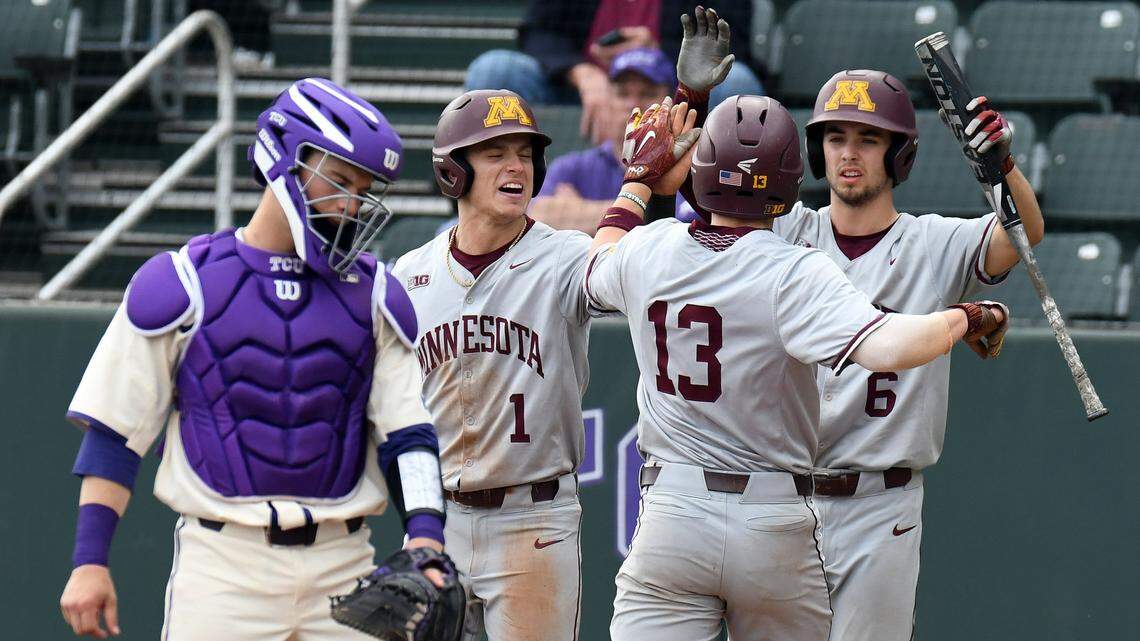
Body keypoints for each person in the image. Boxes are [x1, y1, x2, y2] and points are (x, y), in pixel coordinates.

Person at [582, 33, 1009, 641]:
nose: (848, 153)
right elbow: (887, 348)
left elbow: (598, 266)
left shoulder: (651, 248)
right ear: (793, 176)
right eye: (835, 138)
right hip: (774, 511)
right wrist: (970, 317)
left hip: (674, 508)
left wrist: (638, 181)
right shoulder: (793, 264)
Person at [58, 77, 449, 640]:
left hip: (344, 565)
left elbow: (408, 434)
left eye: (361, 190)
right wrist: (89, 561)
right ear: (285, 161)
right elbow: (114, 437)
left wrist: (426, 535)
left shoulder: (375, 294)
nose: (348, 204)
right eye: (337, 180)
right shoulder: (183, 283)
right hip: (222, 566)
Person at [388, 9, 731, 638]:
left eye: (524, 154)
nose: (515, 167)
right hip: (440, 518)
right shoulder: (410, 275)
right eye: (494, 154)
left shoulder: (563, 256)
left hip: (534, 519)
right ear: (451, 171)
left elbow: (632, 260)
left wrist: (679, 119)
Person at [770, 69, 1044, 641]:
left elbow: (1022, 234)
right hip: (781, 500)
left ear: (898, 156)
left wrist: (1002, 167)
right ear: (817, 152)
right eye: (836, 138)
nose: (849, 154)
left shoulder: (931, 242)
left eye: (869, 140)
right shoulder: (787, 232)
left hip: (880, 504)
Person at [464, 1, 763, 144]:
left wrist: (658, 52)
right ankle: (480, 195)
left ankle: (728, 205)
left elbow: (731, 41)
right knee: (495, 69)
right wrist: (582, 73)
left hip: (676, 90)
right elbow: (539, 33)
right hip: (579, 92)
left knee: (737, 82)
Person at [530, 46, 694, 234]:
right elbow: (539, 219)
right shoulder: (572, 167)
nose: (632, 104)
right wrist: (649, 211)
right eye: (622, 94)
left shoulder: (688, 169)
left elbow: (682, 229)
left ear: (672, 103)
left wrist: (579, 211)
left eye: (647, 94)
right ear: (607, 100)